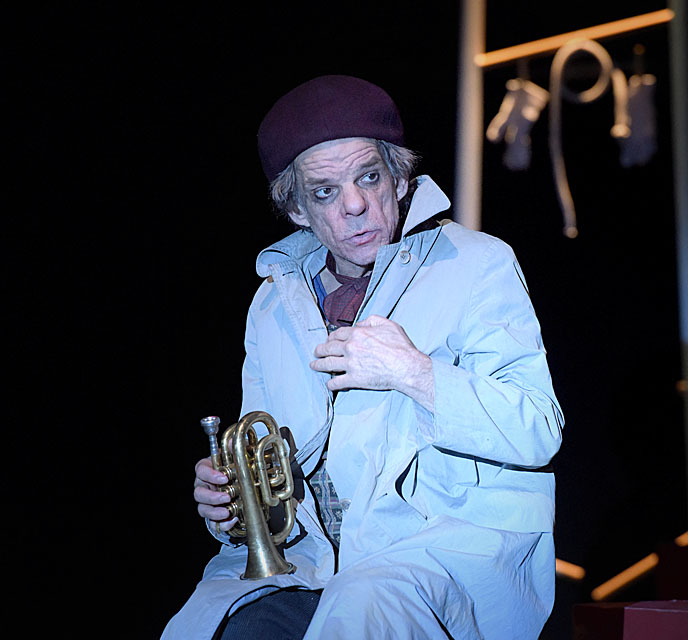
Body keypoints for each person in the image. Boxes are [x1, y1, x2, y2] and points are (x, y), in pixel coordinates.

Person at [162, 75, 564, 640]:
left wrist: (414, 372)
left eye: (369, 177)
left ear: (399, 179)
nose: (354, 205)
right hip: (310, 563)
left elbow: (538, 429)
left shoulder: (477, 263)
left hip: (439, 549)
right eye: (325, 191)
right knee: (223, 625)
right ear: (297, 209)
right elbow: (270, 468)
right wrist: (236, 504)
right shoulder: (271, 304)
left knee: (361, 610)